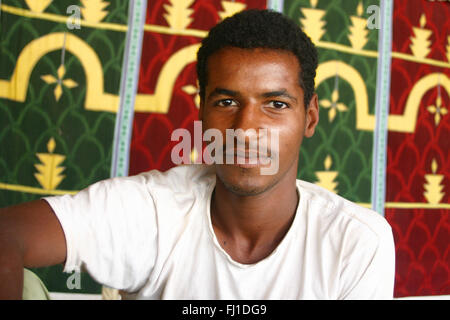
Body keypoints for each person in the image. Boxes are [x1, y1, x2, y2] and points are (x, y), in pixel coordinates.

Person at [0, 9, 395, 300]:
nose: (244, 130)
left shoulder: (357, 242)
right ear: (202, 113)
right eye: (226, 102)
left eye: (275, 105)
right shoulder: (155, 210)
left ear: (309, 118)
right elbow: (8, 233)